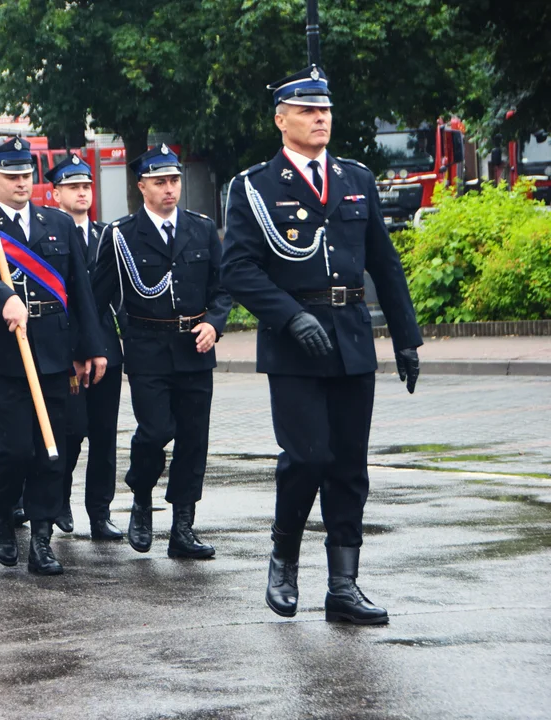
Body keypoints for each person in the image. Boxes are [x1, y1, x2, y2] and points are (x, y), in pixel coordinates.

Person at [221, 65, 423, 625]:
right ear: (281, 119)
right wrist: (288, 317)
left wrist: (406, 339)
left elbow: (384, 262)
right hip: (294, 346)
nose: (321, 119)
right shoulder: (255, 187)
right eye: (309, 111)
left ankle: (343, 585)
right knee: (307, 457)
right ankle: (284, 558)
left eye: (326, 110)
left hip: (352, 336)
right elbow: (238, 268)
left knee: (349, 466)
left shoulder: (355, 176)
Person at [0, 137, 106, 575]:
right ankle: (2, 511)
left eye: (26, 175)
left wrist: (91, 347)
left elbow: (79, 292)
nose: (21, 182)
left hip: (54, 352)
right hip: (3, 356)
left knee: (50, 451)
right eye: (12, 175)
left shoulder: (57, 223)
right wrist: (3, 297)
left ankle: (42, 538)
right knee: (13, 451)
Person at [92, 145, 232, 559]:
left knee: (194, 438)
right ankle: (140, 496)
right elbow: (98, 298)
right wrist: (92, 347)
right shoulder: (121, 235)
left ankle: (183, 527)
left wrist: (215, 324)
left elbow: (221, 289)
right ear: (142, 187)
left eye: (174, 181)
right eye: (160, 182)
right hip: (147, 348)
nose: (170, 189)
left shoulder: (202, 228)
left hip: (193, 348)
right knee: (155, 431)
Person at [44, 154, 123, 540]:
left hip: (105, 345)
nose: (82, 193)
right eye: (73, 186)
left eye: (86, 186)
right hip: (66, 349)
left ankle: (100, 513)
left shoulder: (108, 235)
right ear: (56, 192)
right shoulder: (49, 235)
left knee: (104, 434)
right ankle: (59, 498)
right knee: (71, 431)